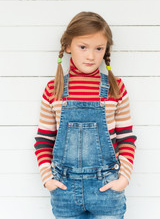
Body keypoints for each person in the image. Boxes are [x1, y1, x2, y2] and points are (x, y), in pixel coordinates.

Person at [34, 11, 137, 219]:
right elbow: (44, 140)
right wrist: (47, 179)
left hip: (107, 188)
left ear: (105, 50)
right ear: (67, 46)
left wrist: (124, 178)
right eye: (83, 47)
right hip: (64, 190)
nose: (91, 56)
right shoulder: (54, 89)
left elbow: (126, 137)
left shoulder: (114, 88)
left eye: (99, 48)